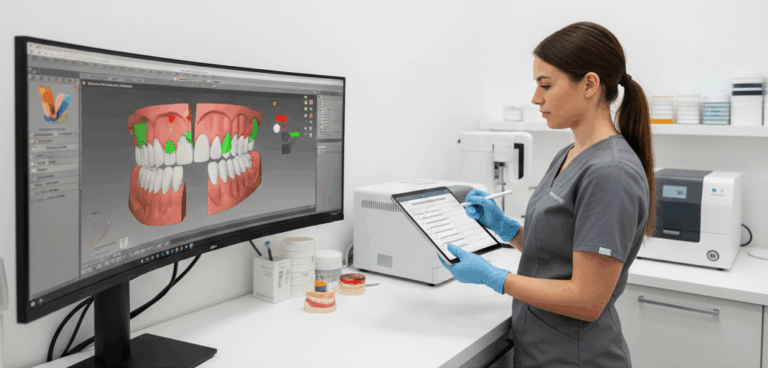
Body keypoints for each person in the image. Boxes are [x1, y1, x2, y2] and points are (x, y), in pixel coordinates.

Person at [439, 21, 656, 367]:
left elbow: (587, 299)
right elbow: (558, 252)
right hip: (541, 350)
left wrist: (493, 277)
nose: (535, 98)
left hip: (576, 357)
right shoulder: (570, 153)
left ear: (589, 84)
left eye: (546, 85)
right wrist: (506, 228)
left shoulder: (611, 173)